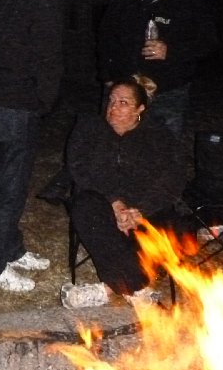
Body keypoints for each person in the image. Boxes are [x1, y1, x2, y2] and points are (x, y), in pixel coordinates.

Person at [0, 0, 66, 292]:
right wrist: (45, 100)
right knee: (11, 188)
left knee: (3, 181)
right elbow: (50, 57)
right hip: (16, 105)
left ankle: (12, 249)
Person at [60, 76, 186, 309]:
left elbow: (173, 179)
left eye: (123, 102)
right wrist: (114, 203)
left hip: (144, 209)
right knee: (85, 207)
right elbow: (80, 169)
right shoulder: (89, 129)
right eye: (111, 100)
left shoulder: (159, 136)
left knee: (171, 230)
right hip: (102, 203)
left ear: (140, 109)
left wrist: (139, 211)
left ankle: (108, 289)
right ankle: (136, 288)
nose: (113, 107)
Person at [98, 0, 218, 136]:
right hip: (122, 90)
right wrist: (108, 77)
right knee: (115, 144)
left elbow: (208, 43)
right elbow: (105, 40)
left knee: (163, 148)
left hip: (167, 92)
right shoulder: (123, 1)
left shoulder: (186, 2)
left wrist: (172, 51)